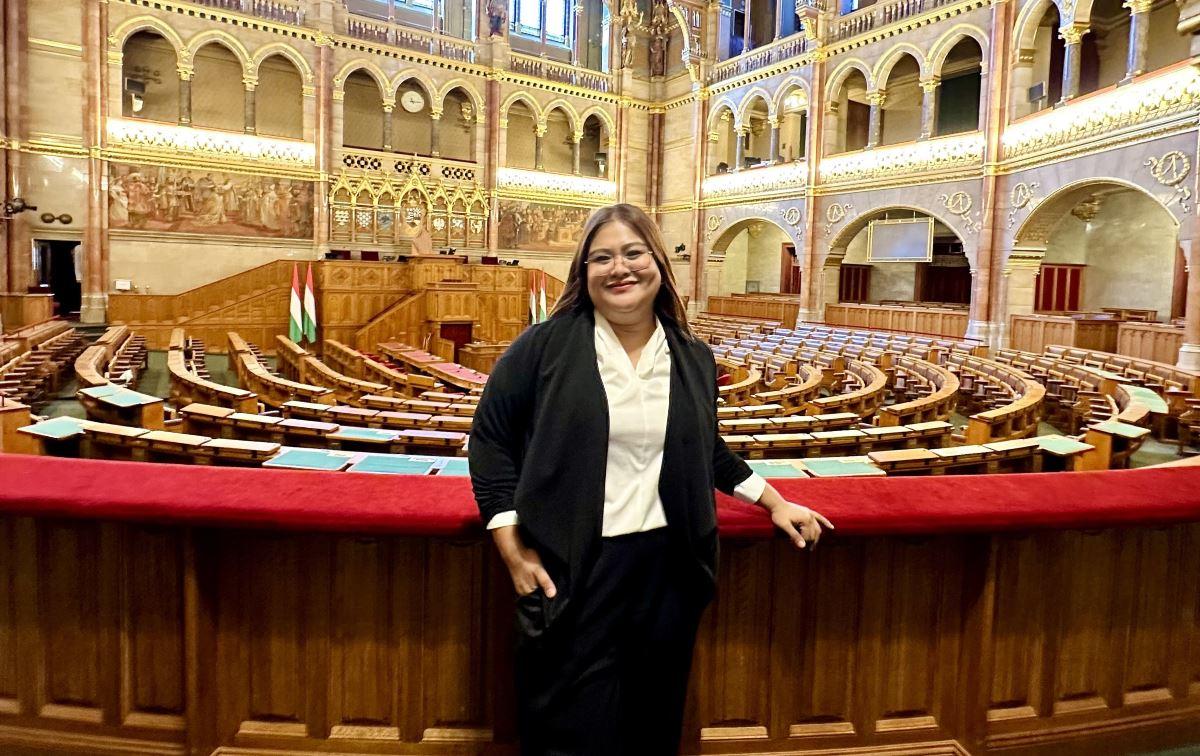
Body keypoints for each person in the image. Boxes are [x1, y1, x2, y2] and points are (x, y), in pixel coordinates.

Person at [469, 203, 833, 755]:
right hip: (574, 568)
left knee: (653, 727)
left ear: (658, 263)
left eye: (634, 253)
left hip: (668, 569)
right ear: (583, 272)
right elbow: (490, 441)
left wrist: (774, 501)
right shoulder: (541, 347)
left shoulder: (693, 357)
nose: (620, 268)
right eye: (602, 257)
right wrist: (511, 546)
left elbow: (707, 452)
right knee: (567, 730)